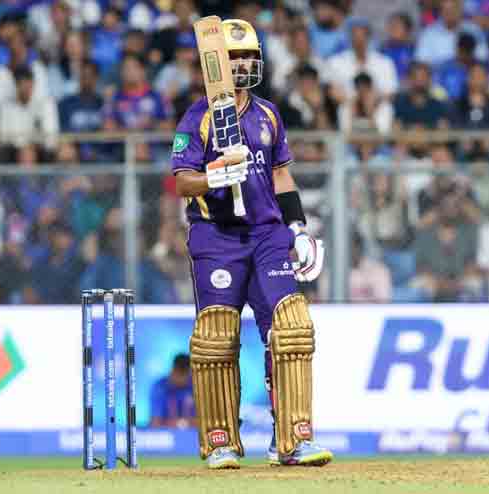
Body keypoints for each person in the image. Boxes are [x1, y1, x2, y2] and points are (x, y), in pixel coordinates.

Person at [170, 19, 332, 469]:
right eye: (234, 57)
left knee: (291, 329)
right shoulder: (197, 118)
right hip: (216, 237)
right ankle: (220, 440)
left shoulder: (269, 115)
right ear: (216, 64)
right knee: (217, 338)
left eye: (249, 57)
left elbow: (281, 174)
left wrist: (297, 227)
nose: (243, 65)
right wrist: (216, 175)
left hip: (266, 235)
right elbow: (182, 182)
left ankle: (293, 440)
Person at [150, 354, 198, 428]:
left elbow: (205, 421)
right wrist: (183, 423)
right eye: (180, 374)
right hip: (166, 434)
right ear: (173, 370)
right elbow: (155, 423)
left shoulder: (195, 386)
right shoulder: (159, 387)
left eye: (187, 375)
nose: (182, 379)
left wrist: (182, 423)